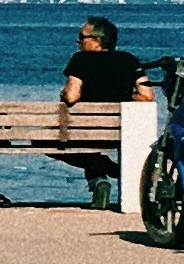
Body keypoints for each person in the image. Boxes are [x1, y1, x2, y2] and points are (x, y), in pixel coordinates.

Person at [58, 14, 152, 210]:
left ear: (98, 41)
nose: (78, 41)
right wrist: (124, 98)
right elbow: (147, 95)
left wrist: (63, 93)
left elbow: (72, 96)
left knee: (41, 140)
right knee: (90, 150)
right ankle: (100, 175)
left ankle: (102, 174)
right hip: (118, 135)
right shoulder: (130, 60)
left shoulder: (80, 60)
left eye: (82, 37)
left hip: (82, 133)